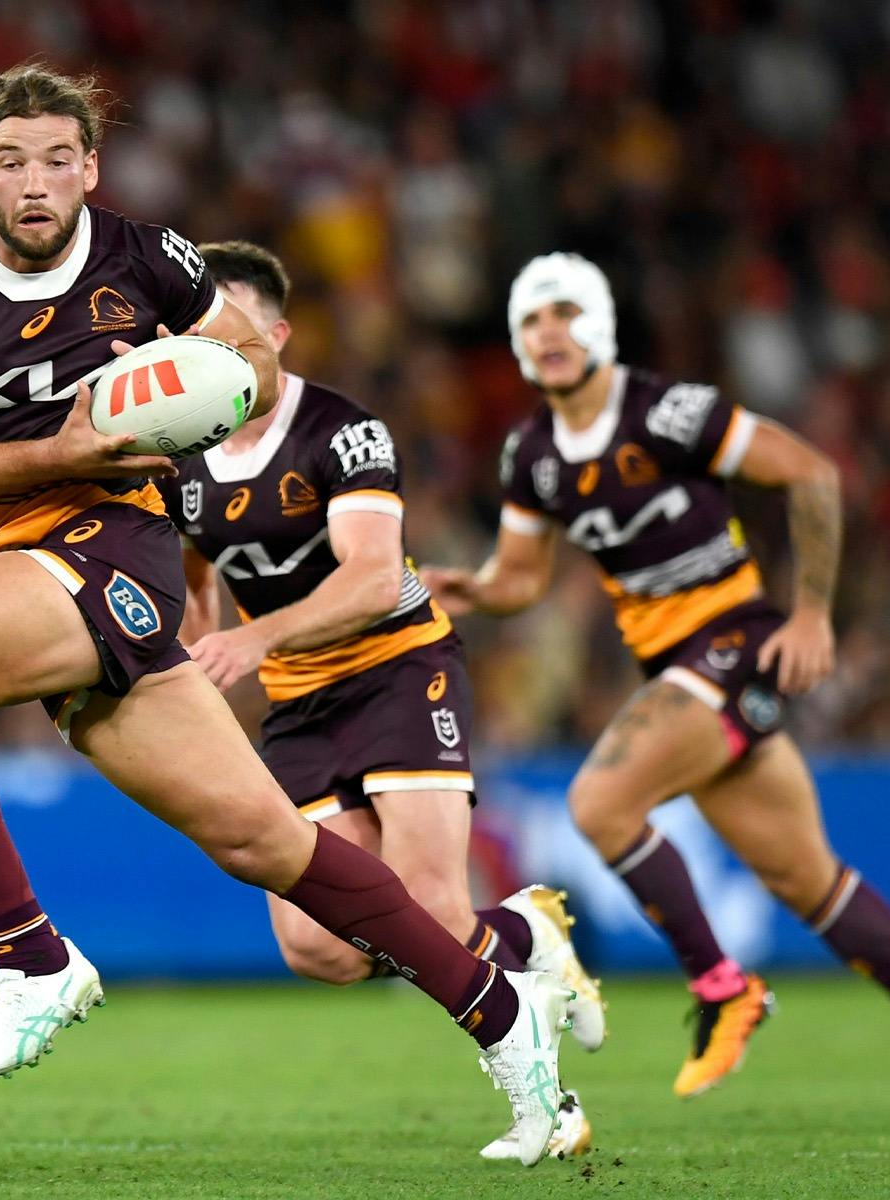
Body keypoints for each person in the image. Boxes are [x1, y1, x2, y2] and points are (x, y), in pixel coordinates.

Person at [0, 61, 572, 1164]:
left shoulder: (149, 259)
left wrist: (185, 396)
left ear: (89, 169)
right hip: (25, 545)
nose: (35, 181)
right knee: (268, 844)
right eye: (10, 162)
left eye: (57, 159)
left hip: (113, 544)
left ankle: (32, 956)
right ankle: (502, 1016)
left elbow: (244, 355)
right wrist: (66, 444)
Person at [423, 252, 890, 1114]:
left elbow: (809, 470)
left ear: (599, 326)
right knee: (807, 879)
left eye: (563, 314)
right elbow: (520, 578)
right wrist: (473, 587)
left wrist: (811, 614)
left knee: (600, 803)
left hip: (735, 642)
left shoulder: (668, 410)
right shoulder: (531, 454)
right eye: (531, 321)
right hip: (677, 668)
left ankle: (722, 986)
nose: (548, 333)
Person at [158, 240, 605, 1161]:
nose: (220, 347)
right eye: (201, 330)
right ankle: (527, 933)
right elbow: (200, 570)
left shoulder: (343, 431)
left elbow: (368, 580)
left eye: (239, 330)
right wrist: (196, 649)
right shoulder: (181, 450)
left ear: (278, 333)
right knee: (319, 950)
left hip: (398, 667)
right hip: (296, 703)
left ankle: (546, 1106)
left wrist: (252, 638)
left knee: (434, 904)